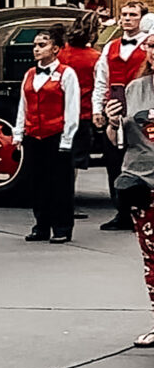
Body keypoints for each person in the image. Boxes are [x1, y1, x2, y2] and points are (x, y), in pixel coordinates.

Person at [103, 32, 154, 348]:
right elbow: (116, 139)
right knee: (152, 257)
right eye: (151, 45)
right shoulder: (135, 90)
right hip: (141, 182)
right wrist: (111, 123)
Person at [12, 28, 80, 244]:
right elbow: (23, 105)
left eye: (42, 45)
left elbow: (72, 108)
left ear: (56, 49)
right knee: (37, 183)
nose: (36, 49)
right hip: (34, 135)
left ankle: (62, 227)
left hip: (56, 135)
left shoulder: (67, 73)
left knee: (60, 184)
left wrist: (67, 139)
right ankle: (41, 225)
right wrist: (18, 133)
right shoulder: (29, 74)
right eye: (35, 45)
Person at [93, 0, 148, 231]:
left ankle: (143, 211)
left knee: (141, 161)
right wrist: (98, 108)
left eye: (133, 15)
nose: (127, 18)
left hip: (142, 110)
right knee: (114, 163)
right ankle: (121, 212)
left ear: (141, 18)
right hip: (116, 110)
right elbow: (101, 79)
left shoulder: (149, 45)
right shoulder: (110, 46)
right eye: (124, 14)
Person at [59, 14, 101, 216]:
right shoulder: (94, 58)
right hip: (82, 112)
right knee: (74, 161)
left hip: (59, 112)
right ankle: (67, 201)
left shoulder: (61, 54)